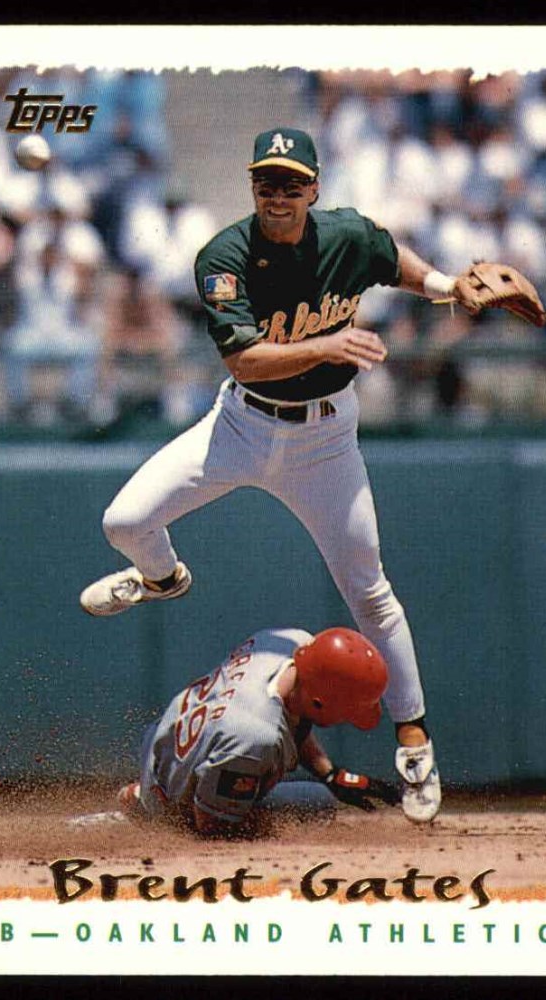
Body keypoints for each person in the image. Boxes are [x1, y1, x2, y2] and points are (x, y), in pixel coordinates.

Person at [81, 126, 473, 823]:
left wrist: (447, 286)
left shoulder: (346, 235)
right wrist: (328, 343)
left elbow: (391, 259)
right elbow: (244, 361)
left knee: (370, 591)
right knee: (125, 522)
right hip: (241, 425)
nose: (278, 194)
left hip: (325, 440)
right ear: (253, 185)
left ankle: (416, 743)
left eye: (291, 182)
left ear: (313, 189)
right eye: (267, 181)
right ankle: (163, 577)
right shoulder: (225, 255)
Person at [117, 627, 401, 835]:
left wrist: (330, 774)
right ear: (318, 702)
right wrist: (283, 833)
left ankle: (151, 792)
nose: (347, 719)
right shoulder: (257, 737)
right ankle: (151, 810)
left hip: (167, 735)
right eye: (348, 711)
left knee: (312, 790)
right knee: (317, 805)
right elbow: (212, 826)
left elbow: (294, 717)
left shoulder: (291, 644)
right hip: (178, 802)